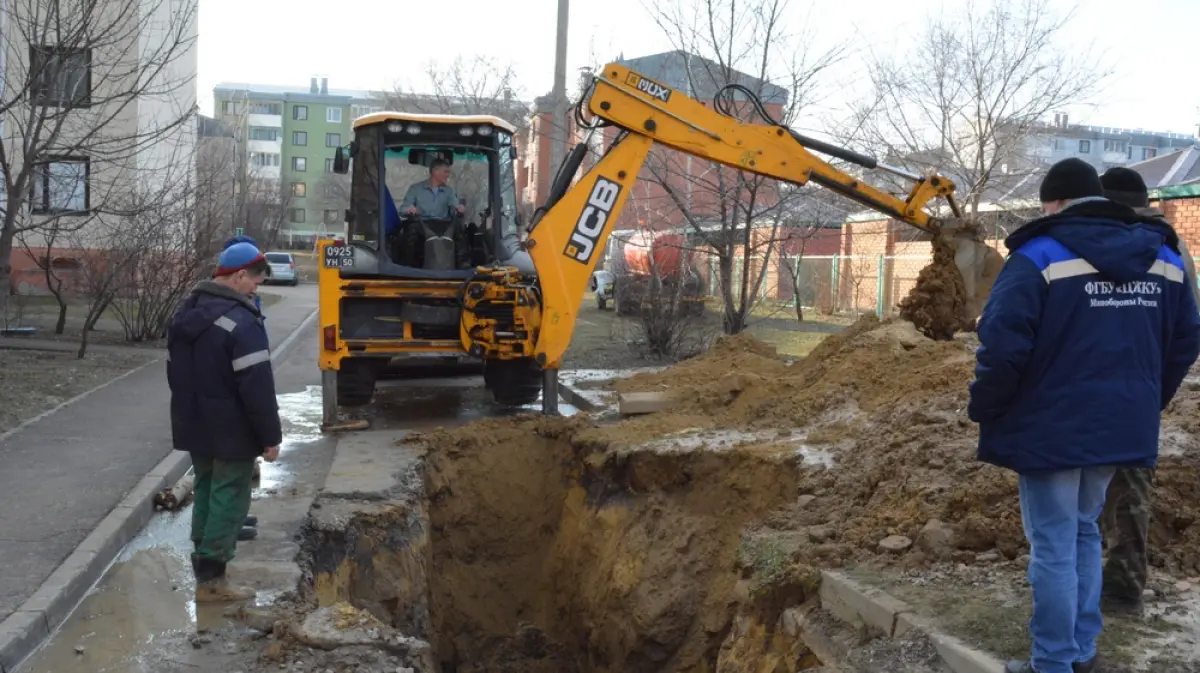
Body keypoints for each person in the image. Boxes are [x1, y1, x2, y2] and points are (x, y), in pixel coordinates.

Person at [967, 157, 1200, 673]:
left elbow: (1002, 341)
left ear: (1054, 202)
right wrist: (1148, 397)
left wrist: (986, 406)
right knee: (1085, 530)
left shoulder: (1040, 254)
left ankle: (1052, 661)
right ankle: (1081, 650)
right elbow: (1187, 338)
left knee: (1052, 541)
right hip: (1120, 424)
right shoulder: (1162, 255)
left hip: (1051, 427)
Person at [1096, 167, 1197, 617]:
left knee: (1079, 486)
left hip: (1085, 386)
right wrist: (1158, 388)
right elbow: (1186, 335)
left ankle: (1077, 581)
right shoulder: (1173, 253)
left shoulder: (1082, 246)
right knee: (1131, 489)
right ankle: (1123, 589)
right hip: (1139, 389)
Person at [167, 242, 283, 603]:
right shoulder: (242, 322)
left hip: (195, 423)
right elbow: (257, 388)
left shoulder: (187, 312)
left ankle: (204, 573)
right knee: (229, 498)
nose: (256, 288)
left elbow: (175, 372)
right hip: (232, 429)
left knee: (205, 490)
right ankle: (213, 583)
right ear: (237, 276)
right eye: (255, 281)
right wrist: (270, 436)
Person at [222, 234, 267, 541]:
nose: (256, 287)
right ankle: (227, 530)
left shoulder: (242, 301)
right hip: (228, 406)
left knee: (236, 474)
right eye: (255, 280)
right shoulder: (227, 309)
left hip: (226, 404)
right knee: (226, 478)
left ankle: (235, 518)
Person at [390, 160, 471, 270]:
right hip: (422, 223)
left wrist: (459, 209)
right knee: (411, 231)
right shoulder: (416, 189)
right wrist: (409, 209)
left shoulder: (449, 191)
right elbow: (403, 209)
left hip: (443, 224)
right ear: (434, 172)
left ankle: (463, 266)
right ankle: (410, 267)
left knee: (459, 228)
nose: (448, 175)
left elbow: (455, 207)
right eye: (445, 172)